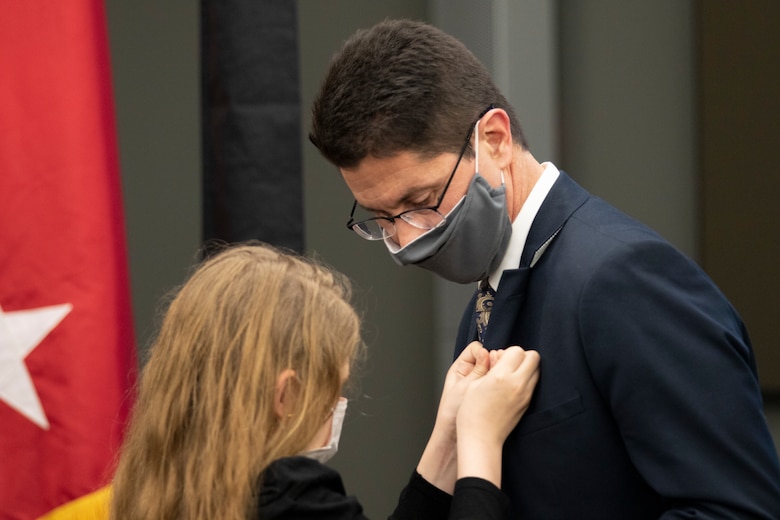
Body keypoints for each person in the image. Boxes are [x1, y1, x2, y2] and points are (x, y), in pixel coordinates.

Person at [309, 18, 780, 519]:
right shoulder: (482, 309)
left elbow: (736, 510)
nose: (406, 243)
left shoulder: (623, 278)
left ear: (494, 138)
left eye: (421, 201)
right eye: (382, 220)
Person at [108, 242, 540, 520]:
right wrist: (482, 440)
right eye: (334, 387)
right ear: (287, 393)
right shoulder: (288, 496)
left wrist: (448, 440)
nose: (337, 404)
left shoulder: (159, 487)